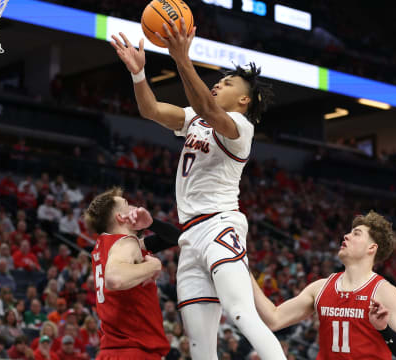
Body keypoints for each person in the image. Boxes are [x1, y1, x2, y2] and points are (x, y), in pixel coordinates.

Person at [110, 14, 283, 360]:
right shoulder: (196, 117)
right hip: (189, 237)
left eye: (228, 83)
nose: (219, 84)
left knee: (241, 313)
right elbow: (152, 110)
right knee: (200, 345)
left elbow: (205, 104)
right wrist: (139, 74)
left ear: (244, 100)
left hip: (220, 226)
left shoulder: (240, 128)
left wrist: (181, 57)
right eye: (219, 81)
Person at [252, 211, 396, 359]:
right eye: (349, 233)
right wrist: (243, 270)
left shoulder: (385, 292)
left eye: (356, 234)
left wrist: (384, 329)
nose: (346, 236)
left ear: (371, 248)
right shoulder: (320, 287)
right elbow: (274, 319)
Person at [84, 187, 172, 359]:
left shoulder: (106, 245)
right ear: (120, 217)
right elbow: (115, 279)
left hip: (113, 351)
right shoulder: (127, 243)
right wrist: (153, 266)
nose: (135, 208)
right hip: (134, 350)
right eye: (127, 204)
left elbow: (176, 237)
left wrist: (151, 223)